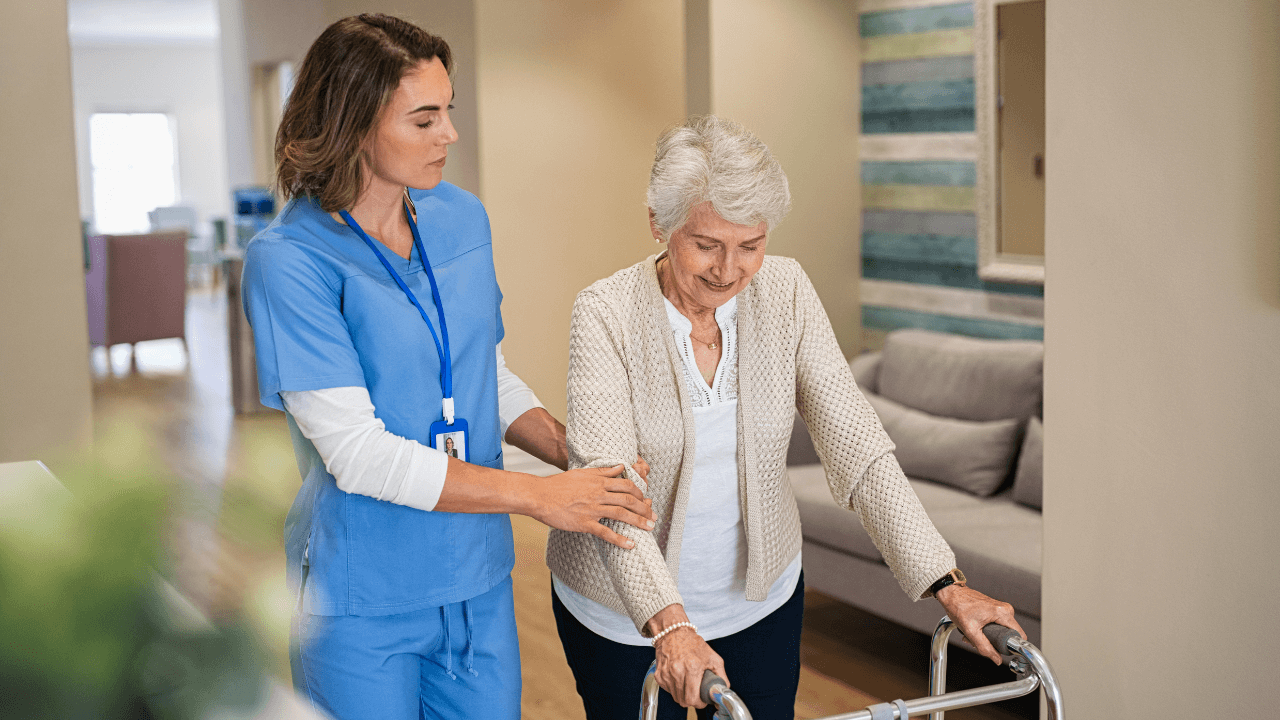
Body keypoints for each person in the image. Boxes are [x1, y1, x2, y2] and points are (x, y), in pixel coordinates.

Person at [241, 15, 654, 720]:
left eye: (448, 112)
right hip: (361, 596)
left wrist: (573, 455)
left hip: (475, 579)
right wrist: (541, 498)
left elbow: (483, 373)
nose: (450, 136)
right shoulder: (289, 262)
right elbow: (358, 456)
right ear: (352, 123)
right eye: (424, 118)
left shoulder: (462, 219)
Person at [546, 116, 1025, 720]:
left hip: (760, 601)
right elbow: (611, 491)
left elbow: (857, 443)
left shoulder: (787, 291)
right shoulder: (605, 312)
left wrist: (946, 582)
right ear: (658, 225)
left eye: (750, 245)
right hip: (624, 614)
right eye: (706, 245)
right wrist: (670, 627)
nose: (728, 270)